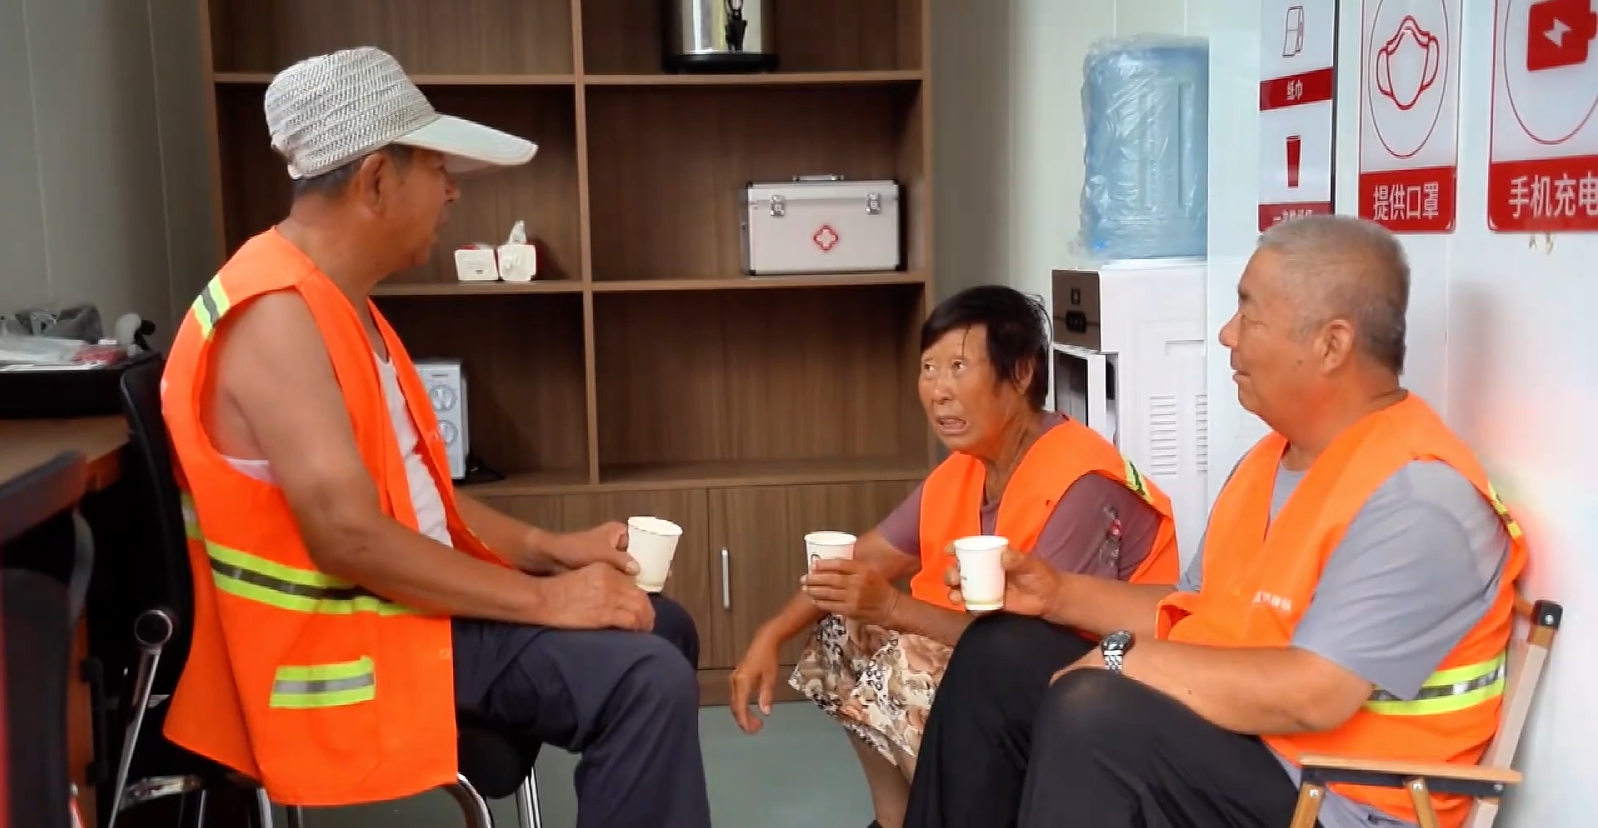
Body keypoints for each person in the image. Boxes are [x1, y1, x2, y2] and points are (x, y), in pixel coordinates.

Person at [158, 47, 710, 828]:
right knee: (646, 679)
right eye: (438, 170)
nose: (452, 191)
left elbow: (411, 502)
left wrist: (551, 550)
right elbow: (351, 538)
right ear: (377, 180)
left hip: (402, 607)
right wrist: (546, 600)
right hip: (348, 641)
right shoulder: (273, 315)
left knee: (661, 622)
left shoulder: (341, 303)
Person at [906, 215, 1527, 828]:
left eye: (1249, 315)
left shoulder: (1418, 499)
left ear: (1331, 345)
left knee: (1093, 712)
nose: (1227, 334)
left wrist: (1121, 658)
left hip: (1336, 799)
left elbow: (1313, 695)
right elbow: (1197, 611)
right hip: (1251, 746)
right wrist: (1055, 594)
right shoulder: (1271, 461)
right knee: (1000, 652)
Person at [729, 285, 1181, 828]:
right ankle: (895, 819)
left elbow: (1015, 654)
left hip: (1101, 687)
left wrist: (894, 610)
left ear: (1021, 374)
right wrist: (771, 633)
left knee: (905, 662)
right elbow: (862, 561)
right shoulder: (965, 467)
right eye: (929, 368)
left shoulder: (1080, 482)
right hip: (997, 658)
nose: (939, 391)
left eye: (959, 368)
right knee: (842, 629)